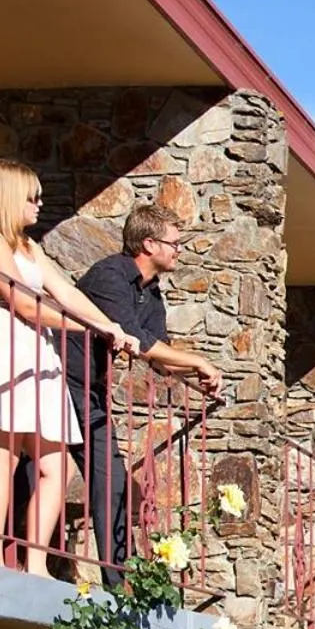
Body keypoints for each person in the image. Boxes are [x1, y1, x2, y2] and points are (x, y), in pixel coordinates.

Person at [0, 159, 139, 577]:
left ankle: (35, 562)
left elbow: (66, 293)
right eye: (31, 197)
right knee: (2, 457)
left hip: (37, 351)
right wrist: (93, 329)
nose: (39, 204)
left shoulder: (28, 246)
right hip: (3, 345)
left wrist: (112, 328)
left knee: (55, 465)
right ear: (8, 197)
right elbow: (22, 303)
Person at [71, 204, 224, 581]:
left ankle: (120, 582)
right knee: (40, 469)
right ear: (149, 243)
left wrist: (198, 373)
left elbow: (159, 356)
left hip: (90, 391)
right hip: (59, 377)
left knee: (112, 480)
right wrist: (198, 360)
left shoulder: (151, 292)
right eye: (174, 243)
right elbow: (136, 341)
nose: (179, 250)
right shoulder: (109, 276)